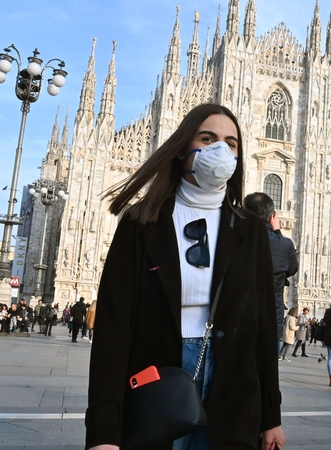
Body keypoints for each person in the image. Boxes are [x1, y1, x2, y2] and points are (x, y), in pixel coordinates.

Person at [85, 103, 284, 450]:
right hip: (158, 377)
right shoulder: (141, 222)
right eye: (207, 139)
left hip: (231, 383)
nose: (220, 150)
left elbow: (264, 326)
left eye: (230, 143)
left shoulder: (250, 230)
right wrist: (103, 433)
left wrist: (271, 417)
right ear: (181, 149)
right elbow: (112, 331)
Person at [243, 191, 299, 353]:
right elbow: (292, 268)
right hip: (270, 320)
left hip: (240, 317)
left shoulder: (234, 237)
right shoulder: (285, 245)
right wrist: (278, 233)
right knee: (266, 372)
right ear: (272, 217)